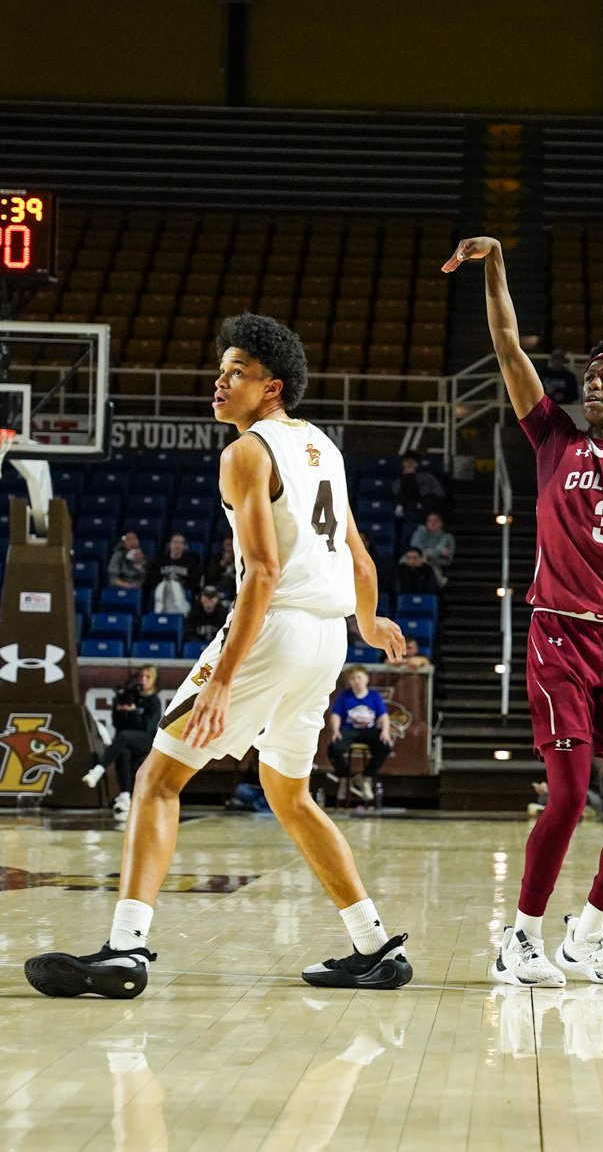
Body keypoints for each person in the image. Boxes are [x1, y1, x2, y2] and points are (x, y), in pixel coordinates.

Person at [25, 312, 410, 1001]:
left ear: (272, 386)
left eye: (237, 372)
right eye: (221, 369)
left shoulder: (247, 453)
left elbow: (262, 571)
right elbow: (358, 556)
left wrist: (222, 681)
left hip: (275, 629)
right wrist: (368, 619)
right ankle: (373, 945)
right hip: (326, 639)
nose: (220, 381)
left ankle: (126, 947)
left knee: (157, 779)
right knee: (288, 793)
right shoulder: (322, 445)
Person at [444, 234, 603, 987]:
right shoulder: (553, 440)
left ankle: (590, 933)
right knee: (571, 793)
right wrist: (496, 267)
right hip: (558, 634)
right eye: (587, 378)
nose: (592, 385)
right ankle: (521, 937)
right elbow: (508, 347)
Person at [80, 665, 163, 818]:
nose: (143, 680)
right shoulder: (130, 696)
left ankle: (98, 770)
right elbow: (117, 725)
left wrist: (134, 712)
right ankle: (125, 797)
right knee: (123, 752)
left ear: (154, 680)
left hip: (147, 740)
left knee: (124, 736)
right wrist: (120, 710)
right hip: (127, 740)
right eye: (141, 676)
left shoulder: (153, 701)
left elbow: (148, 727)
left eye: (148, 677)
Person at [326, 665, 393, 803]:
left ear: (366, 679)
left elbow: (384, 716)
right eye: (353, 678)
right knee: (334, 749)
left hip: (369, 730)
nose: (356, 681)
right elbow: (336, 715)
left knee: (385, 746)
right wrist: (335, 731)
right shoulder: (344, 696)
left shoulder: (374, 696)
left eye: (359, 677)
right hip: (349, 730)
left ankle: (365, 776)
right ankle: (345, 778)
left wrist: (385, 732)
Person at [147, 533, 202, 615]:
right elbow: (153, 578)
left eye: (181, 543)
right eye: (175, 542)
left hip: (182, 590)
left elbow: (195, 581)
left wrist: (181, 584)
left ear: (184, 546)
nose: (178, 545)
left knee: (175, 586)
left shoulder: (191, 562)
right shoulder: (160, 561)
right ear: (170, 545)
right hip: (163, 589)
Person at [393, 450, 446, 520]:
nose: (410, 463)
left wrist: (426, 494)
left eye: (413, 461)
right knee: (408, 478)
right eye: (407, 461)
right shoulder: (397, 482)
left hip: (427, 502)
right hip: (410, 503)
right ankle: (401, 506)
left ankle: (401, 506)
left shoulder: (427, 476)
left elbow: (439, 491)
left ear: (417, 464)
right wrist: (408, 476)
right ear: (402, 464)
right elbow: (397, 493)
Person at [409, 511, 455, 588]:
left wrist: (431, 560)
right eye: (429, 520)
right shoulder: (420, 533)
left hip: (435, 566)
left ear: (441, 523)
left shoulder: (448, 538)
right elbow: (414, 549)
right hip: (417, 562)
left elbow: (447, 562)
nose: (432, 523)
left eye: (435, 520)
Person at [203, 534, 237, 601]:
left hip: (232, 590)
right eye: (227, 545)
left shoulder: (239, 560)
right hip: (217, 587)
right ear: (223, 545)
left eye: (231, 545)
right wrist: (221, 566)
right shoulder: (216, 558)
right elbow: (211, 576)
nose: (229, 548)